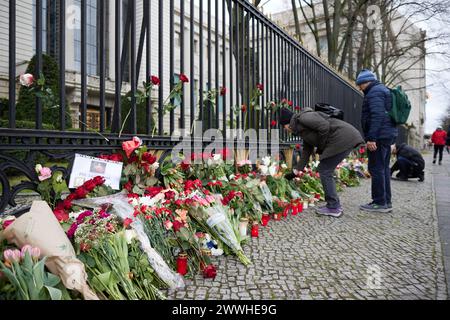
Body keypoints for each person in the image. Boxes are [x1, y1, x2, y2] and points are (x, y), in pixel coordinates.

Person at [280, 107, 365, 218]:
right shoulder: (302, 129)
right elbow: (306, 151)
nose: (285, 130)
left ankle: (334, 207)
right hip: (342, 138)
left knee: (325, 170)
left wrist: (321, 146)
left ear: (288, 123)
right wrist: (296, 171)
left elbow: (324, 126)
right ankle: (333, 205)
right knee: (325, 170)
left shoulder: (304, 117)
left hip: (342, 137)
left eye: (284, 127)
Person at [356, 69, 398, 213]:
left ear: (365, 82)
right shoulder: (382, 90)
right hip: (386, 135)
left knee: (376, 168)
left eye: (360, 85)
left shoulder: (374, 92)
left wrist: (371, 138)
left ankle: (379, 202)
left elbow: (377, 116)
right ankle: (386, 201)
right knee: (384, 168)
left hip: (379, 137)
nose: (359, 88)